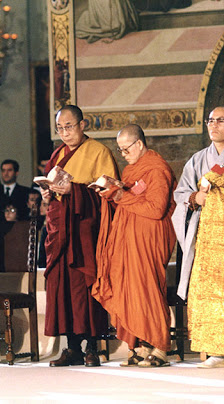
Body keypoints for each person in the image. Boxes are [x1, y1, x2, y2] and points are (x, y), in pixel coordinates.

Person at [40, 105, 119, 367]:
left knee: (87, 286)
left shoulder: (99, 152)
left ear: (83, 124)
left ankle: (93, 347)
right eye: (59, 128)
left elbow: (108, 194)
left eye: (69, 126)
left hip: (86, 229)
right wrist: (48, 194)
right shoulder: (57, 154)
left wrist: (74, 190)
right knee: (63, 288)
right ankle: (71, 346)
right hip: (61, 230)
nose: (64, 133)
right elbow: (53, 187)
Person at [93, 124, 177, 367]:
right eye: (119, 150)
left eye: (126, 149)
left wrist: (120, 195)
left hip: (150, 238)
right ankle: (140, 345)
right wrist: (113, 189)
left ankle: (160, 346)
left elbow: (156, 208)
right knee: (128, 287)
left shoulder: (157, 169)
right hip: (128, 238)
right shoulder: (131, 170)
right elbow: (132, 200)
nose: (123, 154)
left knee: (149, 288)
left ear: (139, 144)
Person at [172, 106, 224, 368]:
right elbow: (180, 193)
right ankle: (216, 349)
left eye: (220, 120)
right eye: (210, 120)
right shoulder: (198, 159)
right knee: (210, 292)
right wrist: (196, 197)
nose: (213, 125)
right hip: (207, 239)